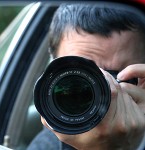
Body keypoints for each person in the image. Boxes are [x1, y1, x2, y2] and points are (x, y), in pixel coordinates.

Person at [27, 3, 145, 150]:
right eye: (74, 81)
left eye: (116, 77)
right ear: (53, 70)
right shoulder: (47, 145)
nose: (110, 91)